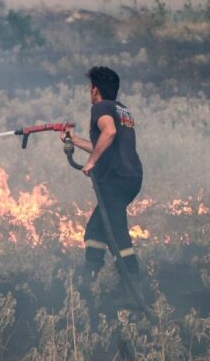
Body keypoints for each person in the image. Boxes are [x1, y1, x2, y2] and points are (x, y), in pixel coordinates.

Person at [61, 66, 144, 285]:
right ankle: (88, 284)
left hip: (115, 180)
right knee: (95, 231)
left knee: (117, 233)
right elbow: (105, 144)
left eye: (90, 87)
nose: (90, 91)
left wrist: (91, 161)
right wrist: (75, 140)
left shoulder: (100, 108)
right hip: (131, 177)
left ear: (95, 89)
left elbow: (109, 132)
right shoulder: (122, 110)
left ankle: (133, 292)